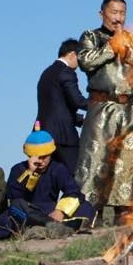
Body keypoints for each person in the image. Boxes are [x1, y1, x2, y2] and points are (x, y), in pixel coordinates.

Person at [75, 0, 133, 222]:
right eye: (113, 12)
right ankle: (90, 216)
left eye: (122, 13)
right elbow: (85, 61)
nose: (118, 18)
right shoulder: (90, 36)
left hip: (131, 109)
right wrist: (111, 48)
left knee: (132, 161)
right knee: (97, 160)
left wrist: (128, 50)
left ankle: (127, 217)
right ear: (102, 13)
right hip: (103, 108)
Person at [0, 122, 96, 240]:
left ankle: (46, 228)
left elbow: (74, 192)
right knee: (15, 208)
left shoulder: (57, 169)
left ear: (50, 154)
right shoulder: (18, 169)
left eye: (44, 157)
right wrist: (29, 173)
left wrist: (60, 211)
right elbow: (14, 197)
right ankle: (52, 226)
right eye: (37, 157)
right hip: (26, 211)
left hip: (50, 210)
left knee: (86, 205)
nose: (40, 161)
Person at [36, 39, 88, 173]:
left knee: (49, 180)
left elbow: (56, 106)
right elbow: (78, 101)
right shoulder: (67, 72)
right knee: (76, 177)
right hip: (63, 137)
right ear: (71, 54)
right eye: (80, 57)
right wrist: (101, 104)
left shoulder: (47, 73)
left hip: (43, 135)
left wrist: (81, 120)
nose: (82, 62)